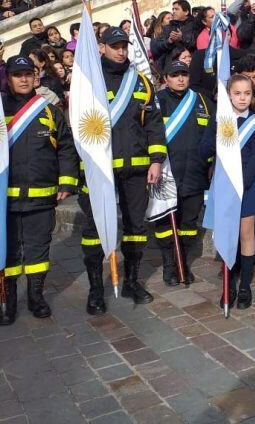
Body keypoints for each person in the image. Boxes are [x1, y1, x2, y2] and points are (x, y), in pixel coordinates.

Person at [79, 27, 167, 315]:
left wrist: (156, 160)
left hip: (137, 167)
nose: (121, 51)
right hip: (100, 169)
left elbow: (154, 123)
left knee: (136, 229)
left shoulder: (141, 81)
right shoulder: (88, 81)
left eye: (124, 46)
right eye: (115, 46)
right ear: (102, 47)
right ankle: (95, 290)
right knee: (94, 229)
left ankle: (131, 280)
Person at [0, 55, 78, 325]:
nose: (23, 79)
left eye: (28, 74)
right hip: (2, 199)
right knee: (6, 252)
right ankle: (7, 302)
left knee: (38, 250)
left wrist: (67, 181)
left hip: (41, 197)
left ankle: (36, 297)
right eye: (18, 75)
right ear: (8, 79)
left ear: (36, 77)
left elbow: (66, 147)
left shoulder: (49, 110)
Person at [200, 74, 255, 309]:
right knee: (227, 232)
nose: (242, 98)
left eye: (247, 93)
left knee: (246, 235)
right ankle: (228, 285)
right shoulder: (221, 119)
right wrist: (218, 127)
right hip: (224, 185)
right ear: (229, 95)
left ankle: (245, 286)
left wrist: (242, 182)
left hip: (246, 187)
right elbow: (205, 148)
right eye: (237, 93)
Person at [154, 60, 214, 286]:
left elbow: (212, 134)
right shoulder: (157, 102)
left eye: (184, 74)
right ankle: (169, 263)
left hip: (194, 174)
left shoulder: (203, 102)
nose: (180, 79)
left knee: (189, 224)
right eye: (175, 75)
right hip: (167, 174)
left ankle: (184, 261)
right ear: (166, 78)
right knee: (164, 224)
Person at [150, 0, 196, 71]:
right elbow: (156, 48)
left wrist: (181, 38)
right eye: (173, 9)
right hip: (171, 69)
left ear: (186, 12)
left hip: (192, 66)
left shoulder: (195, 25)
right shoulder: (169, 27)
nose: (173, 11)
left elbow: (196, 45)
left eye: (177, 9)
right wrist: (169, 41)